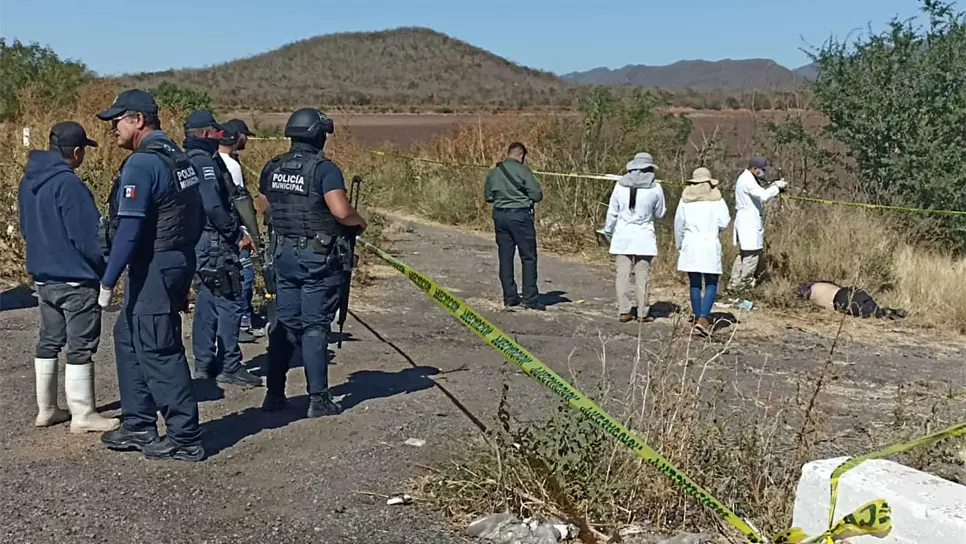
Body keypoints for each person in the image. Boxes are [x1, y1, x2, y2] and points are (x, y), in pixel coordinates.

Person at [94, 89, 207, 462]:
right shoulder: (178, 156)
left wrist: (108, 280)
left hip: (156, 264)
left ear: (138, 120)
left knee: (159, 348)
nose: (113, 128)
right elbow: (197, 213)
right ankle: (138, 423)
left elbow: (129, 230)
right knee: (128, 335)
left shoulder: (143, 164)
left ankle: (185, 437)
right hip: (173, 259)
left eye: (117, 121)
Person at [255, 107, 367, 417]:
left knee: (285, 325)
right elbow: (341, 212)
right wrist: (359, 222)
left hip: (283, 255)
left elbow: (265, 206)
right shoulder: (324, 169)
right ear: (319, 137)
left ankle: (274, 395)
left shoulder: (273, 166)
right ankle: (319, 400)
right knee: (315, 326)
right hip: (317, 259)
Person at [17, 122, 119, 433]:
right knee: (80, 346)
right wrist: (105, 269)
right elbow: (88, 238)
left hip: (43, 278)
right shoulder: (69, 184)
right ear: (76, 152)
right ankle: (83, 414)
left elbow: (25, 229)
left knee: (49, 341)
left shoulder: (28, 181)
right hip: (75, 279)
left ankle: (47, 409)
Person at [182, 110, 260, 387]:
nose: (219, 136)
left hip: (198, 241)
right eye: (215, 132)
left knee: (206, 300)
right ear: (206, 133)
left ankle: (204, 363)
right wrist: (236, 234)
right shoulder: (204, 162)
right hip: (215, 242)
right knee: (229, 300)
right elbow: (213, 205)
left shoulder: (186, 159)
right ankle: (230, 364)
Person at [600, 152, 666, 323]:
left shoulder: (619, 185)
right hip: (644, 237)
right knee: (642, 275)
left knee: (622, 275)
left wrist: (608, 229)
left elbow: (612, 211)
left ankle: (624, 311)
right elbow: (660, 213)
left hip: (623, 235)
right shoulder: (656, 188)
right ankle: (643, 312)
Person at [484, 142, 545, 311]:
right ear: (521, 155)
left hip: (500, 216)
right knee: (528, 257)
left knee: (505, 256)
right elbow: (537, 195)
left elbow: (488, 196)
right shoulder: (524, 171)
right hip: (520, 216)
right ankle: (530, 298)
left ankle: (510, 297)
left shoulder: (495, 171)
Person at [674, 167, 732, 336]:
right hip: (709, 244)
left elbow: (679, 225)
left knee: (695, 282)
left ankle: (697, 315)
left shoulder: (685, 201)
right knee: (711, 282)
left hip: (690, 244)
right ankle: (704, 317)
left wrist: (679, 244)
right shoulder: (717, 201)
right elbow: (724, 222)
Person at [218, 119, 261, 342]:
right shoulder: (231, 166)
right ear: (237, 137)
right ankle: (242, 321)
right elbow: (240, 202)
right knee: (245, 275)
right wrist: (249, 234)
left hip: (219, 231)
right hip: (235, 230)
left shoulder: (214, 161)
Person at [729, 156, 788, 293]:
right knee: (751, 256)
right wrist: (777, 187)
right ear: (755, 168)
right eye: (762, 170)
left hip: (747, 221)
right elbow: (763, 195)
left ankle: (734, 284)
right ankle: (743, 286)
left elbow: (760, 192)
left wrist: (773, 186)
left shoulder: (747, 178)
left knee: (743, 255)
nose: (763, 173)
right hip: (749, 223)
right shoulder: (747, 180)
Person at [797, 281, 907, 319]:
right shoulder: (821, 283)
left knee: (871, 312)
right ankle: (888, 311)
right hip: (849, 291)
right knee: (871, 308)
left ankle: (885, 312)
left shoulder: (808, 292)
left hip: (839, 299)